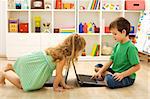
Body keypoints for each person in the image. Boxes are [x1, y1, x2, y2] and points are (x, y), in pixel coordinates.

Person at [0, 34, 86, 92]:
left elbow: (60, 75)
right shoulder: (62, 57)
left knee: (26, 75)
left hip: (32, 61)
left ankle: (10, 67)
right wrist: (55, 87)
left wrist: (64, 84)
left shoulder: (58, 51)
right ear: (75, 50)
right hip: (36, 65)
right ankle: (3, 73)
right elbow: (58, 75)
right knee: (25, 86)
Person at [92, 17, 141, 89]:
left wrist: (122, 75)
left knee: (110, 81)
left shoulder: (131, 47)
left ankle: (107, 75)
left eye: (115, 34)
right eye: (112, 34)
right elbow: (110, 60)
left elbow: (137, 66)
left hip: (126, 77)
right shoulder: (117, 45)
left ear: (123, 32)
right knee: (97, 67)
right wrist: (100, 72)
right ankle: (105, 74)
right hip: (115, 71)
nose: (113, 36)